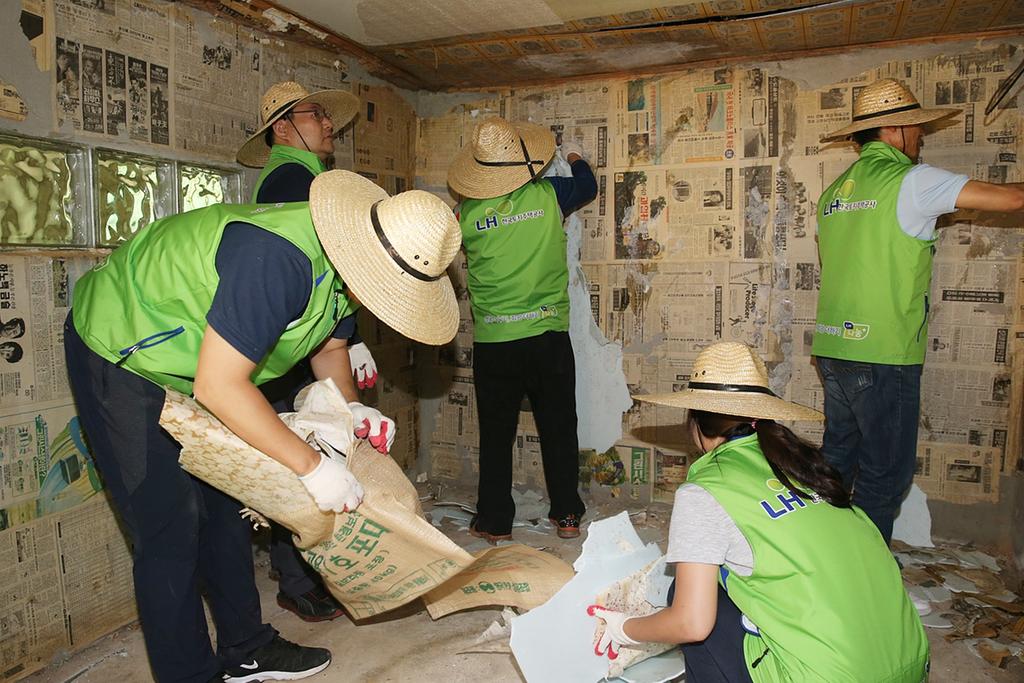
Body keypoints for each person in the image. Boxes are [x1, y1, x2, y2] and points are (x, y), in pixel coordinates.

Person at [64, 170, 461, 683]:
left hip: (196, 364)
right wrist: (313, 466)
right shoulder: (280, 261)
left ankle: (246, 649)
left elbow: (331, 347)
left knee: (225, 512)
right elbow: (220, 387)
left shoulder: (349, 263)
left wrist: (351, 411)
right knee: (170, 527)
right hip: (120, 348)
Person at [589, 342, 929, 682]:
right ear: (757, 416)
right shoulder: (806, 467)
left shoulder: (707, 488)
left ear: (693, 419)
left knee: (685, 594)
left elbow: (691, 622)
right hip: (910, 666)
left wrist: (626, 629)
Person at [812, 78, 1024, 544]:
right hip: (883, 354)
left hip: (832, 348)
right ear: (895, 129)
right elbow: (1014, 199)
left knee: (835, 464)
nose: (921, 137)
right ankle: (866, 581)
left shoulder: (832, 196)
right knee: (885, 476)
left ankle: (821, 560)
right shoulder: (911, 181)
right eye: (917, 128)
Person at [237, 80, 375, 622]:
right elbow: (315, 270)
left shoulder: (306, 176)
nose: (328, 125)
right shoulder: (293, 179)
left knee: (317, 446)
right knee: (307, 457)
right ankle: (297, 580)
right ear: (283, 128)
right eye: (316, 115)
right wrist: (351, 337)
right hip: (290, 349)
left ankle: (300, 571)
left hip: (303, 342)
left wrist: (349, 337)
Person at [447, 116, 597, 541]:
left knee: (496, 436)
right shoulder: (550, 194)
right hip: (548, 337)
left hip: (495, 343)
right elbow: (587, 185)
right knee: (559, 427)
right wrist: (573, 156)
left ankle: (494, 522)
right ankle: (567, 515)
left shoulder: (466, 213)